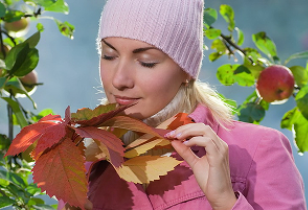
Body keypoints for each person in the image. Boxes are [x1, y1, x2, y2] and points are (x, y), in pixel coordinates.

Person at [60, 0, 307, 209]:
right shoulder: (84, 164)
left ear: (187, 69)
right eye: (109, 55)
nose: (119, 79)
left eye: (146, 61)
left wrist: (225, 202)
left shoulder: (258, 151)